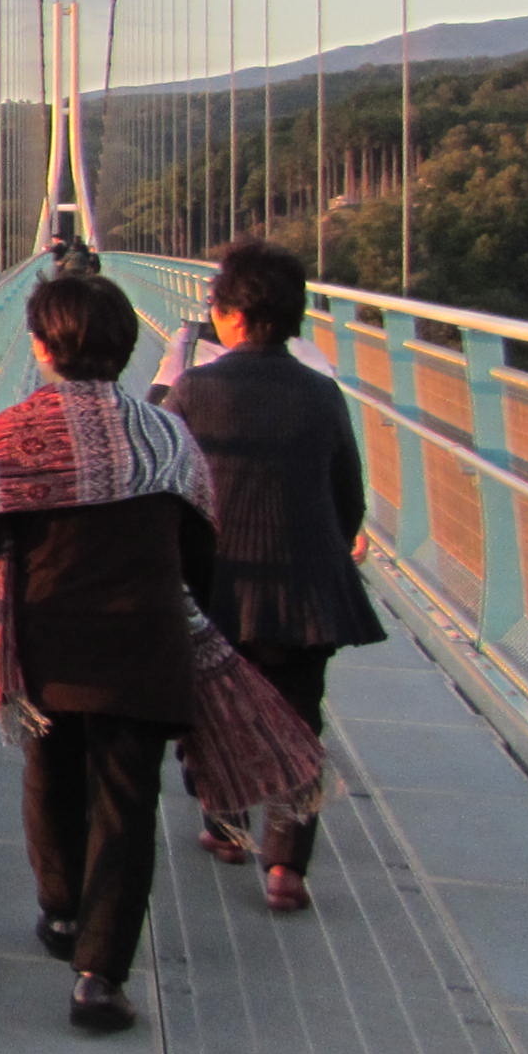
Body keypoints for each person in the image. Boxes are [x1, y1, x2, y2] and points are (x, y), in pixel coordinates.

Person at [0, 273, 216, 1032]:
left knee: (50, 771)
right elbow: (202, 544)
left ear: (40, 347)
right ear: (128, 343)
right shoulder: (169, 435)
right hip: (147, 643)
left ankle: (61, 912)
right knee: (129, 803)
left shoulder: (12, 433)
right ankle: (100, 976)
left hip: (48, 641)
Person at [160, 238, 381, 912]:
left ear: (226, 315)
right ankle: (287, 868)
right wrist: (330, 548)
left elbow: (168, 485)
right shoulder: (322, 393)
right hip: (308, 593)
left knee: (215, 708)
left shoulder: (196, 387)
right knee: (298, 719)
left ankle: (226, 830)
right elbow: (348, 495)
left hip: (221, 586)